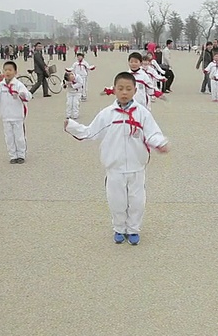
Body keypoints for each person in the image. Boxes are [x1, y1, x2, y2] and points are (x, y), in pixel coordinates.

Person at [64, 72, 169, 245]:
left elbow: (153, 133)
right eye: (120, 88)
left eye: (128, 89)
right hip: (114, 168)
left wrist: (160, 143)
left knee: (137, 201)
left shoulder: (142, 113)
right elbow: (91, 132)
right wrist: (72, 126)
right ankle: (119, 228)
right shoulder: (107, 114)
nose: (124, 92)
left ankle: (134, 229)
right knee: (116, 201)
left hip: (137, 167)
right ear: (114, 90)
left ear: (135, 90)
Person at [0, 61, 32, 164]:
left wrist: (21, 94)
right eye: (5, 70)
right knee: (9, 137)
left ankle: (21, 154)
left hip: (17, 116)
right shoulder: (0, 86)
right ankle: (13, 155)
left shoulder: (18, 84)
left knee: (19, 137)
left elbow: (28, 96)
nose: (7, 72)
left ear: (15, 72)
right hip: (5, 116)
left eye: (10, 70)